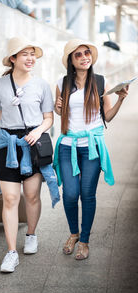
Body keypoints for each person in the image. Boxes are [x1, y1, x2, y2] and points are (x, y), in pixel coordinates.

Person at [53, 38, 128, 260]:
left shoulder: (100, 82)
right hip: (68, 146)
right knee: (69, 194)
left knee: (87, 194)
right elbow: (60, 113)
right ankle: (73, 233)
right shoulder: (62, 82)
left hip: (92, 147)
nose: (85, 57)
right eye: (79, 54)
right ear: (70, 60)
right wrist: (58, 108)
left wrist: (120, 100)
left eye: (87, 53)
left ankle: (84, 240)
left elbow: (108, 117)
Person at [0, 37, 54, 273]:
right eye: (24, 54)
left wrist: (38, 131)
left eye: (32, 53)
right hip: (7, 145)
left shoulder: (42, 85)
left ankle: (31, 235)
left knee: (32, 196)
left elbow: (49, 118)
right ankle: (11, 252)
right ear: (13, 59)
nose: (30, 58)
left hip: (33, 144)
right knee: (11, 199)